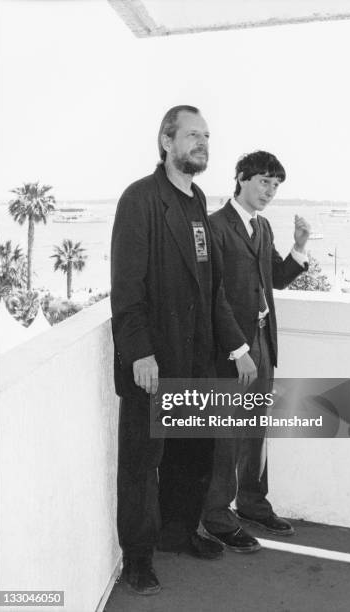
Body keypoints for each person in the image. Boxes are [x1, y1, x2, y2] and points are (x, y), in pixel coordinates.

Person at [110, 106, 248, 595]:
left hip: (197, 360)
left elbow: (211, 290)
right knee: (142, 467)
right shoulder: (140, 199)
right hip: (154, 362)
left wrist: (237, 347)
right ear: (166, 140)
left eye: (207, 136)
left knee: (191, 456)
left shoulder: (197, 202)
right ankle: (138, 559)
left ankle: (181, 532)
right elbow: (126, 289)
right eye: (193, 135)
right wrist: (139, 353)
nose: (203, 143)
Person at [202, 150, 310, 552]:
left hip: (264, 341)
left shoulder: (262, 227)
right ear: (242, 179)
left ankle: (251, 503)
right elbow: (214, 295)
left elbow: (275, 280)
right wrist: (237, 348)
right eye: (264, 181)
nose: (270, 191)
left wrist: (299, 248)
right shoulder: (214, 226)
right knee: (225, 435)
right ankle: (216, 515)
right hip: (233, 350)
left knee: (255, 431)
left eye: (276, 185)